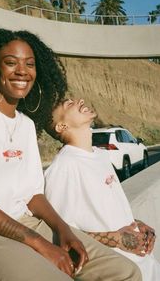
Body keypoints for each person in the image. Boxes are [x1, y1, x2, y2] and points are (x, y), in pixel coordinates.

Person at [0, 28, 142, 281]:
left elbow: (34, 195)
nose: (22, 71)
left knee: (125, 272)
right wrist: (40, 244)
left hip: (23, 222)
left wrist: (64, 230)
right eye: (11, 63)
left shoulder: (26, 125)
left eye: (29, 64)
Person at [44, 98, 160, 280]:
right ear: (61, 126)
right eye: (68, 104)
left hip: (146, 262)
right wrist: (116, 239)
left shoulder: (101, 155)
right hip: (120, 270)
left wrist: (138, 223)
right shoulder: (64, 167)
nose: (79, 101)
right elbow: (61, 236)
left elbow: (105, 207)